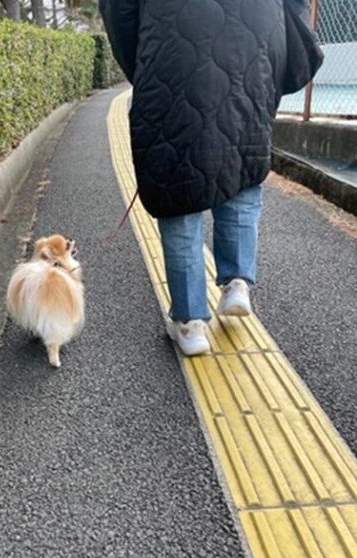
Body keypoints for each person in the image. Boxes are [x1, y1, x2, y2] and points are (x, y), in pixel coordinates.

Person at [100, 0, 323, 355]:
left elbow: (120, 11)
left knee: (179, 185)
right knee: (242, 168)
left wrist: (143, 61)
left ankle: (190, 324)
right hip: (254, 45)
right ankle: (237, 282)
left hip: (172, 52)